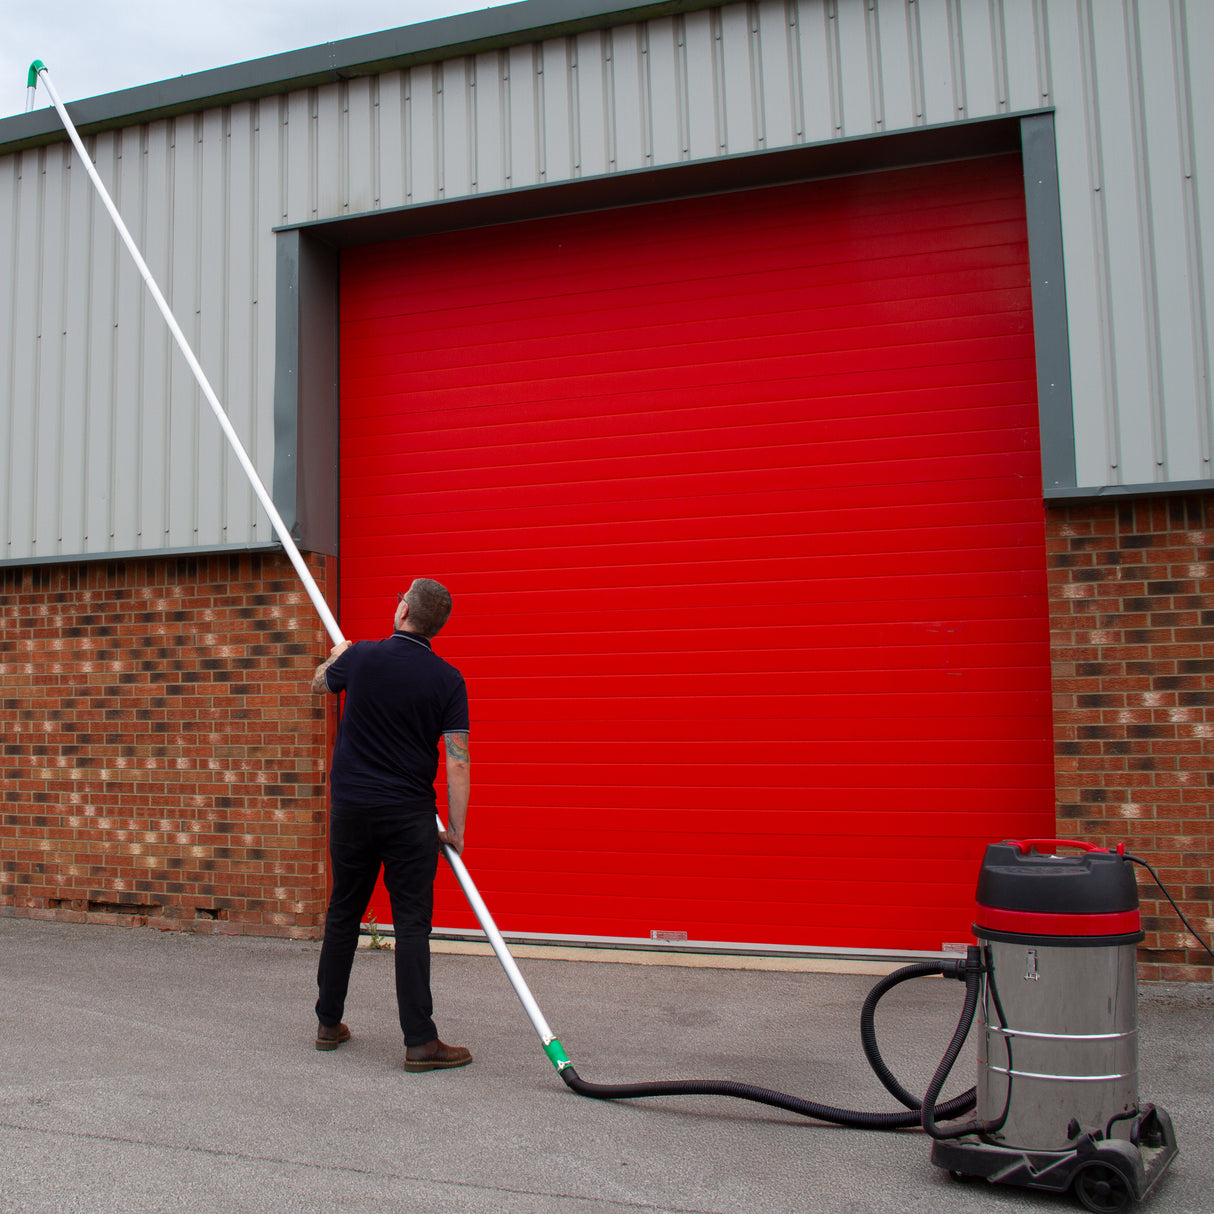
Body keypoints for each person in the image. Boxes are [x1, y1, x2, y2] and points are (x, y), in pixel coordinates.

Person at [310, 577, 473, 1072]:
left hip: (354, 810)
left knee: (344, 912)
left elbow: (318, 683)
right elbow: (458, 761)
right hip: (409, 817)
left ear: (403, 611)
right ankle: (419, 1041)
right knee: (412, 925)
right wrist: (457, 832)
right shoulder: (448, 679)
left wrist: (338, 656)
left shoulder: (360, 658)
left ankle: (327, 1022)